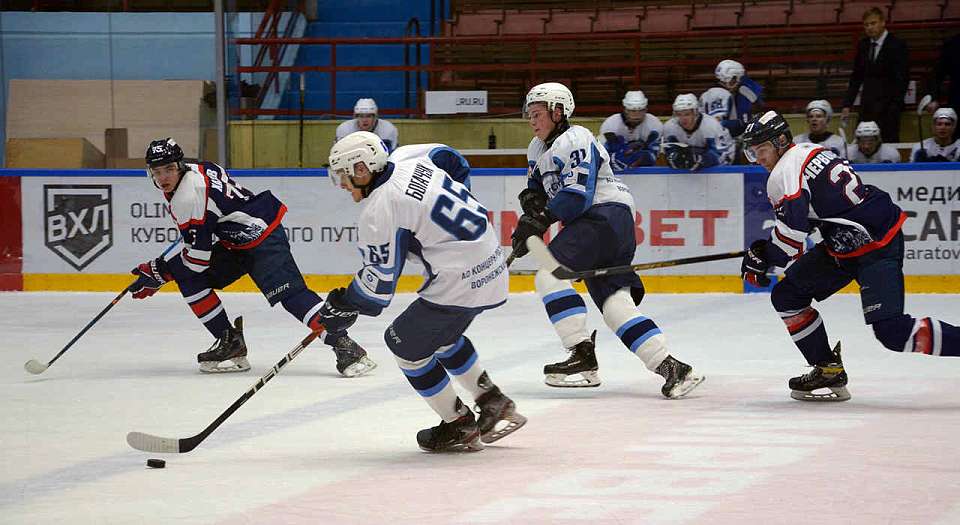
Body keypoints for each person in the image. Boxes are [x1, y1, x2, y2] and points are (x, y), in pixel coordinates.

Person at [323, 131, 526, 452]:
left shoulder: (380, 209)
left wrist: (343, 303)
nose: (343, 185)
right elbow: (452, 158)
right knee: (442, 337)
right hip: (491, 261)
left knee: (403, 343)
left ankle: (458, 424)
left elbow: (377, 292)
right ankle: (492, 400)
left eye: (343, 176)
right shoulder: (409, 156)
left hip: (460, 280)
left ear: (361, 169)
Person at [739, 111, 959, 402]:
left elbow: (792, 237)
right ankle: (827, 368)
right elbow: (816, 215)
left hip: (875, 247)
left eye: (762, 150)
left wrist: (763, 255)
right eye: (752, 153)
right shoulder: (810, 150)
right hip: (844, 246)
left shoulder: (783, 173)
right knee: (787, 296)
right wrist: (767, 252)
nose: (759, 159)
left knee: (893, 332)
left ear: (780, 141)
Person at [509, 81, 704, 398]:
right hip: (607, 225)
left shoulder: (577, 137)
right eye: (528, 114)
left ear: (559, 112)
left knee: (549, 272)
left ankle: (581, 354)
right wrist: (530, 209)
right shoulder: (537, 148)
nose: (531, 120)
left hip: (603, 216)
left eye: (537, 113)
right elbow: (535, 190)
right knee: (616, 306)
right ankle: (673, 368)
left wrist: (541, 220)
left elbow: (576, 195)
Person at [132, 138, 377, 376]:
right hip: (236, 241)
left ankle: (346, 347)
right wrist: (164, 269)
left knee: (291, 295)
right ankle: (229, 343)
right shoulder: (201, 167)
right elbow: (210, 223)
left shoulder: (187, 197)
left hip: (260, 237)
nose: (164, 177)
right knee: (190, 280)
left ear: (180, 166)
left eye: (169, 169)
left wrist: (161, 270)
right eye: (158, 171)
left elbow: (197, 260)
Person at [841, 7, 909, 143]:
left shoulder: (897, 45)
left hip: (889, 108)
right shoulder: (863, 45)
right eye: (866, 25)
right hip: (867, 105)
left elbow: (902, 78)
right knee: (863, 144)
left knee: (889, 143)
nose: (869, 28)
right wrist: (847, 104)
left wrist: (895, 105)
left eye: (873, 23)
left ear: (883, 22)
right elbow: (856, 77)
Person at [662, 93, 734, 170]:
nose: (683, 118)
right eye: (679, 114)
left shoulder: (711, 125)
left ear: (695, 113)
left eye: (687, 114)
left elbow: (721, 154)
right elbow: (669, 151)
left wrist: (702, 160)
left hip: (724, 161)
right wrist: (674, 158)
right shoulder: (669, 127)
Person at [599, 90, 663, 171]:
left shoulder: (654, 124)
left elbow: (654, 154)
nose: (637, 114)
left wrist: (642, 157)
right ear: (625, 110)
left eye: (641, 110)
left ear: (646, 109)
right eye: (633, 111)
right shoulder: (611, 123)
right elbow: (603, 153)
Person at [700, 59, 764, 138]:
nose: (726, 86)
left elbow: (757, 111)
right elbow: (716, 123)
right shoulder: (718, 93)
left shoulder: (743, 91)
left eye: (731, 81)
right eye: (722, 82)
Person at [334, 98, 399, 152]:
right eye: (361, 116)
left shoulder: (388, 129)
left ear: (375, 117)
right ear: (356, 117)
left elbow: (392, 155)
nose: (364, 120)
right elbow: (338, 153)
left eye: (368, 116)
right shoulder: (345, 129)